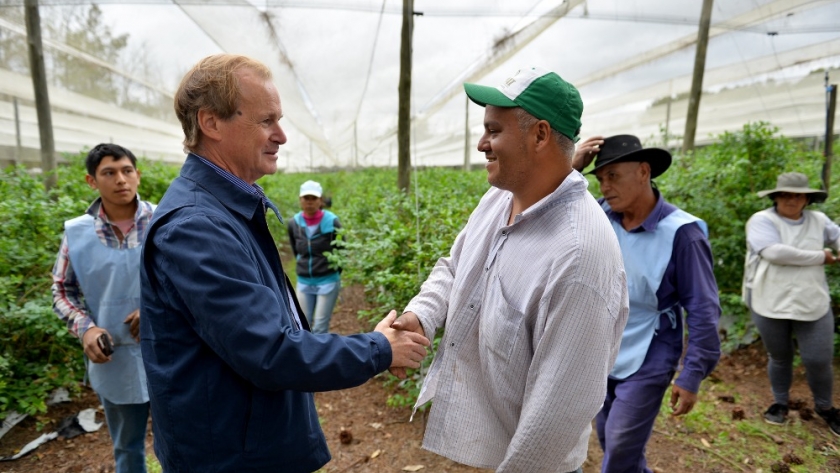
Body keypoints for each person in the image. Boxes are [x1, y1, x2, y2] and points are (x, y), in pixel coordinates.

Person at [139, 54, 429, 473]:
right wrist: (380, 349)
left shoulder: (224, 208)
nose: (282, 135)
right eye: (266, 121)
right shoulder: (195, 227)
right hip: (233, 457)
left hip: (247, 441)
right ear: (211, 123)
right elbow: (270, 350)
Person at [391, 67, 629, 473]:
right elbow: (455, 265)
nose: (482, 144)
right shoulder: (499, 199)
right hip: (498, 438)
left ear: (538, 135)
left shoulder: (578, 256)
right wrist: (421, 315)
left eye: (493, 130)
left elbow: (557, 413)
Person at [572, 135, 722, 473]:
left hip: (651, 349)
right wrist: (571, 167)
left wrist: (692, 373)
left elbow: (703, 308)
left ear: (643, 171)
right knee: (609, 435)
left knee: (623, 440)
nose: (605, 186)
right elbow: (549, 212)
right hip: (602, 345)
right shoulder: (598, 215)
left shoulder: (682, 234)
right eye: (600, 178)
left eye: (614, 176)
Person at [51, 143, 154, 473]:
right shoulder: (77, 234)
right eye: (108, 173)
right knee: (127, 446)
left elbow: (192, 283)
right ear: (91, 181)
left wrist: (156, 310)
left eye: (126, 171)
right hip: (115, 359)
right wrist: (87, 328)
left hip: (170, 352)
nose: (120, 180)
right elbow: (62, 291)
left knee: (183, 440)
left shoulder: (165, 221)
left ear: (138, 175)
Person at [743, 172, 840, 436]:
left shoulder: (819, 220)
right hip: (769, 299)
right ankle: (780, 403)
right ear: (776, 196)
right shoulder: (762, 220)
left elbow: (838, 237)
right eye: (785, 194)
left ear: (807, 199)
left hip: (812, 299)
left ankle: (826, 407)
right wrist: (822, 256)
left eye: (798, 195)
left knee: (818, 359)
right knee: (780, 356)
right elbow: (774, 252)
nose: (791, 199)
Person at [287, 180, 342, 334]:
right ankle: (307, 357)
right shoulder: (294, 223)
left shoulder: (332, 222)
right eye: (306, 198)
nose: (309, 202)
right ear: (300, 200)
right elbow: (295, 250)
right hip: (304, 281)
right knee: (303, 326)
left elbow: (340, 251)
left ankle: (320, 357)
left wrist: (332, 270)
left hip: (328, 280)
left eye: (313, 198)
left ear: (320, 200)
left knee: (319, 327)